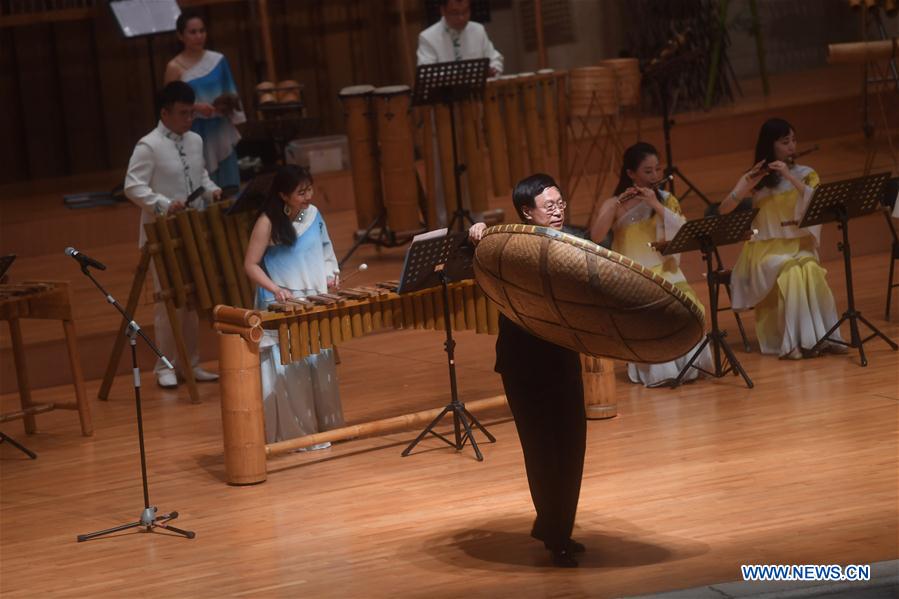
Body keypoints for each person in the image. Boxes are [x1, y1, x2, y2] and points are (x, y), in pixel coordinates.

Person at [469, 174, 585, 568]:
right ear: (527, 212)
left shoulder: (573, 241)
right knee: (541, 452)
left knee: (571, 448)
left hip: (563, 358)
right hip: (523, 365)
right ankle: (557, 536)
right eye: (549, 206)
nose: (558, 211)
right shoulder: (508, 247)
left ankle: (557, 527)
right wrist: (477, 234)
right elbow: (466, 260)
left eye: (560, 203)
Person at [124, 80, 222, 388]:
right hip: (162, 233)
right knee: (169, 304)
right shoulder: (148, 145)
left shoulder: (195, 140)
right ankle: (164, 366)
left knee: (191, 301)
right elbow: (132, 186)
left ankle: (190, 363)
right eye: (182, 113)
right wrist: (164, 205)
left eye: (191, 113)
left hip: (193, 230)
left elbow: (200, 175)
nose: (189, 119)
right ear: (164, 113)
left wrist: (212, 190)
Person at [589, 142, 712, 387]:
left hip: (667, 272)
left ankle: (689, 366)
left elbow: (682, 231)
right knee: (651, 312)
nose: (655, 176)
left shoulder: (667, 200)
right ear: (631, 174)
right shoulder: (615, 203)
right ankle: (660, 372)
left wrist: (656, 204)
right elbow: (596, 235)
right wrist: (616, 204)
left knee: (688, 307)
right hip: (634, 275)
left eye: (657, 169)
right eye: (647, 171)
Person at [719, 118, 843, 359]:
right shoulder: (757, 179)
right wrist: (746, 184)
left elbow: (817, 203)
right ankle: (793, 342)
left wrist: (790, 177)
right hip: (765, 251)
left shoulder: (806, 174)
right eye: (785, 142)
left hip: (799, 246)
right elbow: (724, 209)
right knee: (791, 271)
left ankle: (824, 337)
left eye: (794, 140)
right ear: (770, 145)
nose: (792, 146)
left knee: (810, 269)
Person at [244, 165, 344, 449]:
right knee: (293, 372)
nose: (308, 196)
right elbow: (250, 264)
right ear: (283, 195)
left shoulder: (314, 215)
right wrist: (275, 288)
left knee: (319, 365)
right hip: (282, 303)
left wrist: (331, 274)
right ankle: (299, 435)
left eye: (309, 189)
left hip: (314, 299)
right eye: (301, 192)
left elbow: (325, 250)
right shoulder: (267, 222)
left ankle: (327, 428)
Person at [165, 9, 245, 191]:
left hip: (221, 129)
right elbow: (169, 104)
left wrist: (228, 108)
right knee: (203, 187)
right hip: (193, 131)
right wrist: (195, 107)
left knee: (229, 186)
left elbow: (231, 92)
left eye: (202, 31)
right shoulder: (174, 67)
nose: (199, 36)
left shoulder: (218, 60)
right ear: (181, 35)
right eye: (193, 32)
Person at [417, 0, 504, 76]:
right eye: (455, 13)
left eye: (465, 11)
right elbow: (426, 74)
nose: (461, 18)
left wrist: (493, 70)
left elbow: (495, 59)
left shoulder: (478, 30)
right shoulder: (428, 37)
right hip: (446, 90)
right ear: (442, 11)